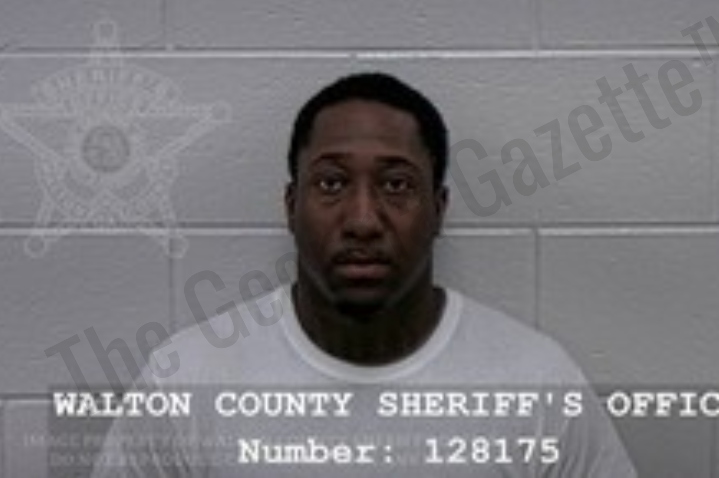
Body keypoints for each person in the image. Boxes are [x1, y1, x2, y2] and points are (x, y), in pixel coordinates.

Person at [88, 72, 637, 477]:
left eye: (397, 185)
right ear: (290, 206)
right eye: (331, 184)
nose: (363, 220)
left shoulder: (536, 383)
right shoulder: (188, 379)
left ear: (439, 209)